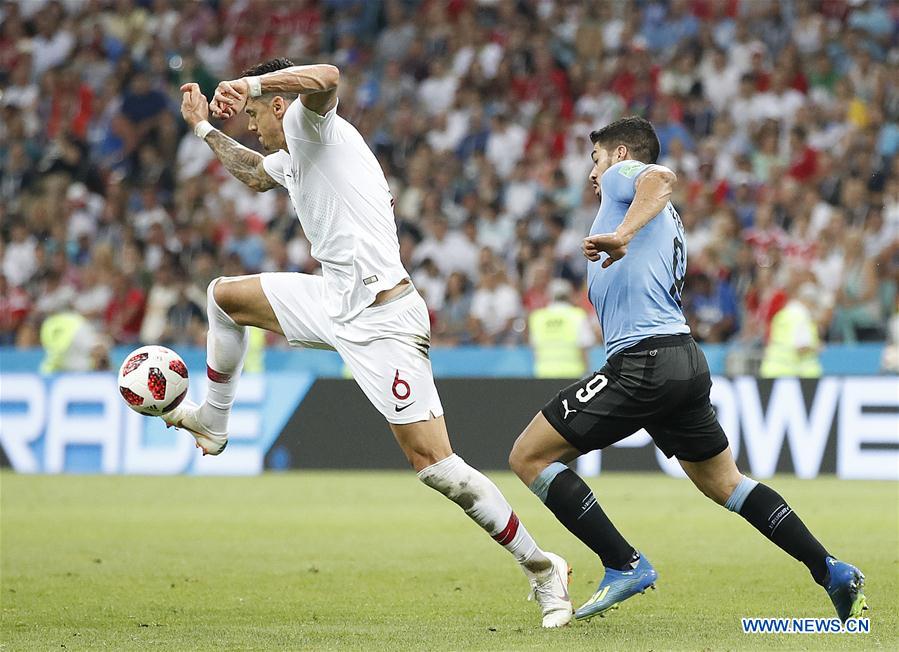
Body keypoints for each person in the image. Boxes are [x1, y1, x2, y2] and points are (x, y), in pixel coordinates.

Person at [169, 59, 572, 627]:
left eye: (255, 114)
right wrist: (203, 129)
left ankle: (543, 567)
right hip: (333, 301)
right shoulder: (292, 154)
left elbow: (329, 75)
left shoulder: (312, 124)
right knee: (224, 297)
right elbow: (257, 174)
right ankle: (213, 421)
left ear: (279, 104)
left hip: (384, 319)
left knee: (436, 466)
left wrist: (252, 84)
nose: (251, 125)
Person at [508, 117, 866, 624]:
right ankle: (831, 570)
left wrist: (621, 235)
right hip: (682, 359)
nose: (592, 172)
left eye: (596, 159)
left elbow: (662, 177)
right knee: (726, 483)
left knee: (528, 455)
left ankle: (623, 563)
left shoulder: (626, 181)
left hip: (644, 360)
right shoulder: (661, 218)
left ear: (620, 154)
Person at [528, 279, 595, 378]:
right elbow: (584, 346)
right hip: (573, 375)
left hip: (544, 374)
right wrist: (587, 371)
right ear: (569, 295)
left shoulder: (537, 317)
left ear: (549, 296)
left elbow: (534, 348)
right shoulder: (577, 315)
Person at [760, 282, 823, 378]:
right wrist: (816, 347)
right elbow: (801, 347)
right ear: (808, 301)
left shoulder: (782, 314)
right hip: (788, 373)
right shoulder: (802, 316)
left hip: (771, 369)